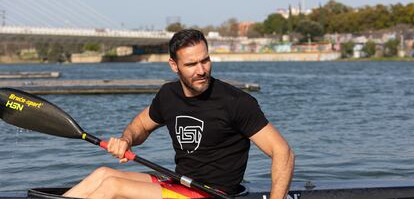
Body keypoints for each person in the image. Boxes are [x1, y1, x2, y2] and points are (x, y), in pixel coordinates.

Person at [63, 29, 294, 199]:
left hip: (212, 194)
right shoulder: (168, 95)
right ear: (174, 65)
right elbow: (141, 126)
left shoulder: (236, 102)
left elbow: (283, 152)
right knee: (103, 174)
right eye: (191, 64)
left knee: (111, 188)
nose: (201, 70)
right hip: (180, 184)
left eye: (205, 60)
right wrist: (126, 140)